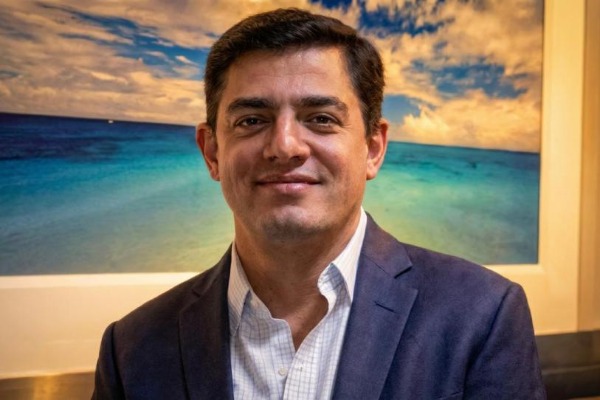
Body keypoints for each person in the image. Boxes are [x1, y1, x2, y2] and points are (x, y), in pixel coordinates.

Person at [92, 8, 545, 399]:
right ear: (212, 152)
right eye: (251, 120)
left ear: (373, 148)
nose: (285, 146)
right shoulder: (132, 349)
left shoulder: (480, 316)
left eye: (321, 119)